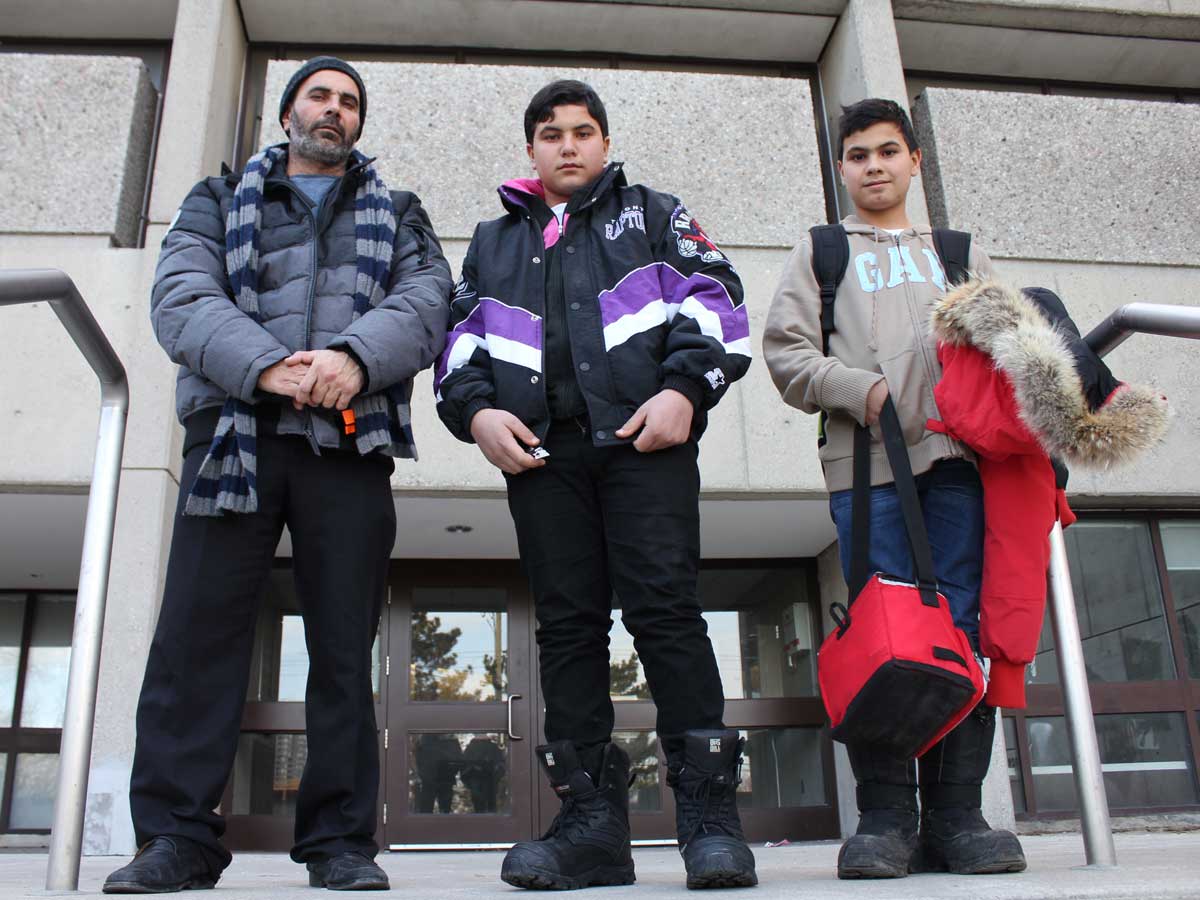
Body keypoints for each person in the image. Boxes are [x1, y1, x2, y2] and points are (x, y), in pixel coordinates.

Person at [103, 56, 452, 893]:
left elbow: (429, 299)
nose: (334, 110)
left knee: (342, 646)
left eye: (349, 103)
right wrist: (267, 367)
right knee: (197, 638)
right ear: (289, 110)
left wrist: (354, 358)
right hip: (234, 433)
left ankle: (338, 843)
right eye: (320, 95)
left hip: (347, 438)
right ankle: (178, 836)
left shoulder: (399, 211)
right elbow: (183, 295)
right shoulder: (214, 201)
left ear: (359, 125)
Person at [434, 79, 757, 891]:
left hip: (645, 444)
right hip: (544, 459)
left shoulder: (653, 213)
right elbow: (458, 347)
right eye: (551, 134)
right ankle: (591, 827)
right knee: (569, 630)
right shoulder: (492, 241)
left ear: (605, 144)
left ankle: (710, 821)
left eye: (582, 132)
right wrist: (476, 418)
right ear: (531, 150)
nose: (568, 145)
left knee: (667, 614)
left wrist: (686, 390)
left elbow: (717, 301)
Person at [763, 98, 1026, 879]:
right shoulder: (820, 252)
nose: (873, 166)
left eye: (887, 151)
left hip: (958, 466)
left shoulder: (957, 251)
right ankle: (884, 821)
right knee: (887, 631)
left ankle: (957, 818)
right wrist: (861, 390)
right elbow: (785, 354)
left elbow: (1012, 347)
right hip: (869, 469)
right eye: (857, 155)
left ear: (915, 161)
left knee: (961, 626)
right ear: (841, 169)